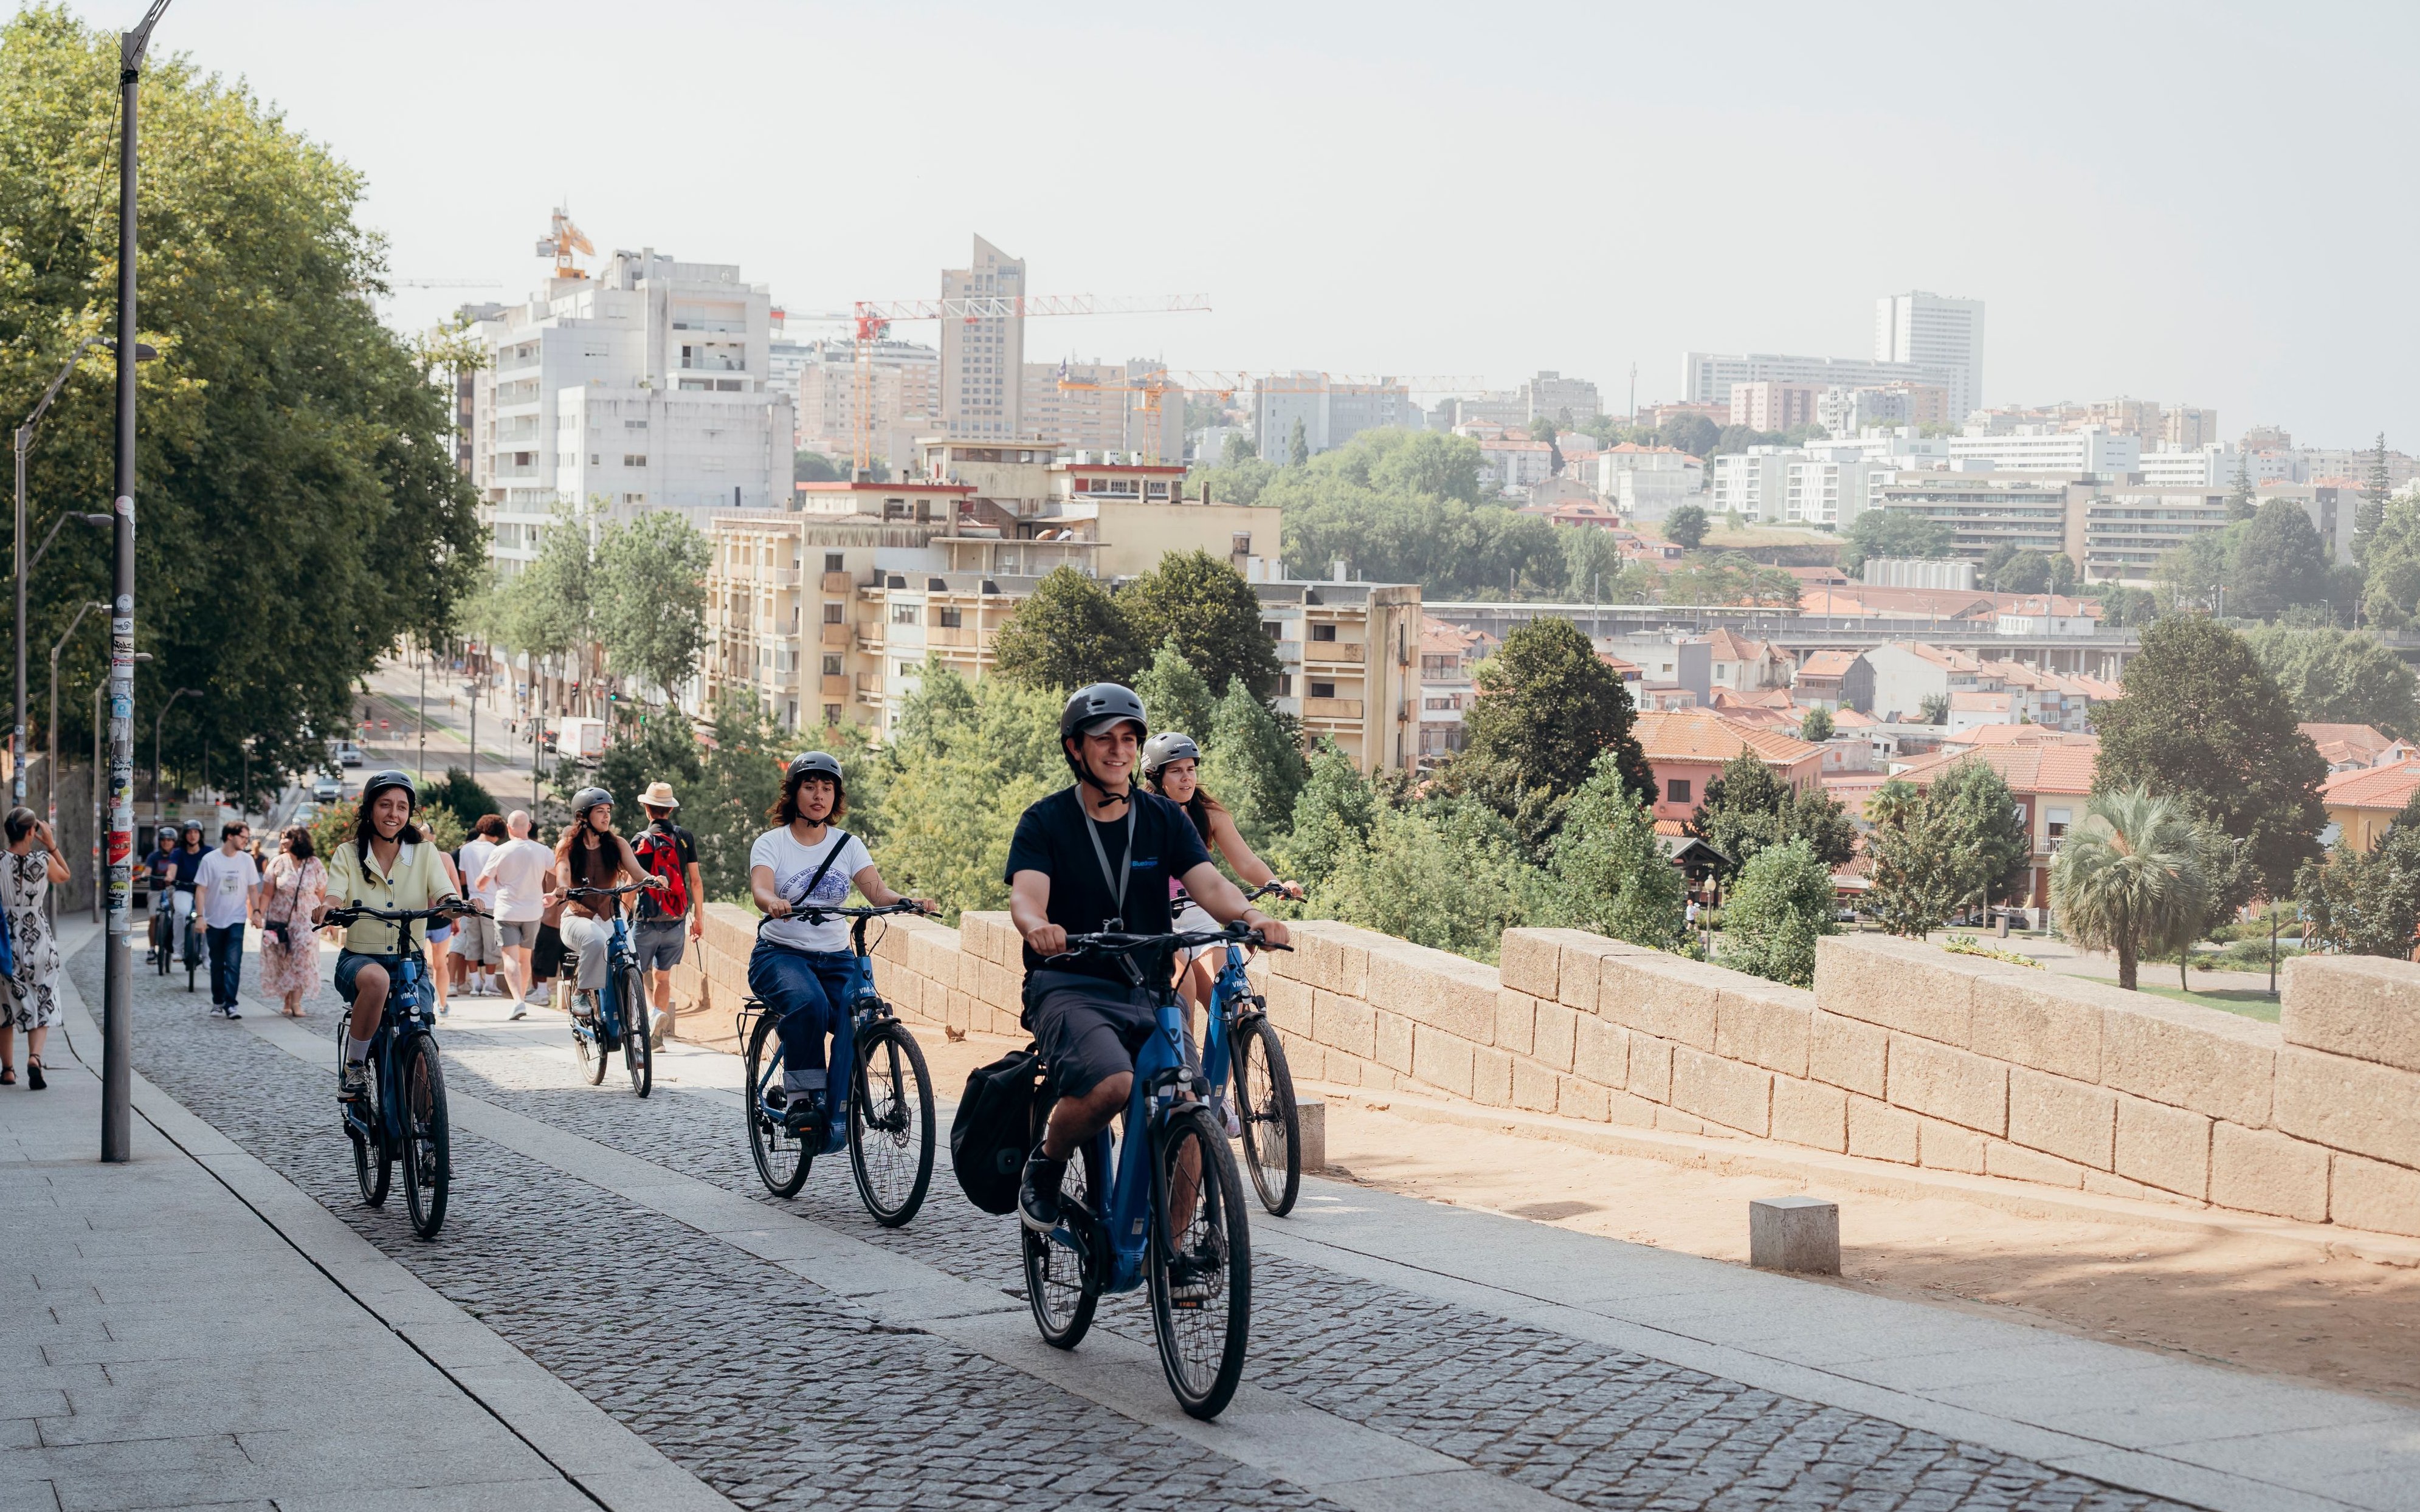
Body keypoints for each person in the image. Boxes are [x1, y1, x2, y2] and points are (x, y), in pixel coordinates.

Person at [1007, 685, 1288, 1233]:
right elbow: (1026, 894)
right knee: (1110, 1084)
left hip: (1151, 988)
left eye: (1129, 740)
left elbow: (1208, 883)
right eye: (1104, 740)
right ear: (1075, 749)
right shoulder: (1045, 821)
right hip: (1071, 983)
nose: (1118, 751)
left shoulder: (1163, 818)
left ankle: (1177, 1256)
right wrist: (1038, 927)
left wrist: (1251, 918)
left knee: (1188, 1106)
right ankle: (1045, 1163)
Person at [748, 752, 931, 1134]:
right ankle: (801, 1100)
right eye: (810, 787)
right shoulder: (773, 843)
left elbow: (878, 893)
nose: (819, 796)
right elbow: (761, 890)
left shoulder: (848, 845)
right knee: (809, 1004)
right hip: (780, 954)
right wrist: (774, 903)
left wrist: (908, 903)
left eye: (827, 789)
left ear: (836, 796)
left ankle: (846, 1094)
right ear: (794, 793)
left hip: (835, 957)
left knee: (866, 1013)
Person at [313, 770, 475, 1099]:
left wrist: (460, 906)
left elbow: (445, 895)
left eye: (402, 807)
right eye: (385, 805)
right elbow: (335, 893)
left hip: (410, 962)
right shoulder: (348, 853)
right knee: (377, 981)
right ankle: (355, 1066)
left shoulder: (426, 853)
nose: (394, 814)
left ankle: (427, 1140)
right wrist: (328, 907)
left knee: (423, 1060)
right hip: (361, 960)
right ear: (370, 809)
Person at [1139, 732, 1304, 1043]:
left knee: (1235, 997)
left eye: (1191, 769)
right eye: (1176, 771)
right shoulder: (1141, 815)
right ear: (1156, 776)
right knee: (1180, 990)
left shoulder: (1208, 815)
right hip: (1158, 924)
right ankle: (1183, 1080)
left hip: (1200, 920)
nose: (1186, 779)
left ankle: (1222, 1091)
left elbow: (1246, 862)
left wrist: (1275, 884)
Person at [554, 788, 660, 1029]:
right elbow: (564, 873)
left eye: (608, 811)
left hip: (612, 915)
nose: (606, 817)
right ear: (583, 817)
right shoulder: (568, 846)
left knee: (631, 961)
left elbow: (637, 872)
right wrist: (562, 888)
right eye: (600, 812)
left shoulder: (617, 844)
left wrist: (653, 879)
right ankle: (581, 992)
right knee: (595, 941)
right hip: (577, 917)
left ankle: (637, 1035)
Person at [631, 781, 704, 1050]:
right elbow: (695, 881)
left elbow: (632, 881)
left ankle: (652, 1013)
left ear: (648, 810)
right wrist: (698, 918)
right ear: (669, 811)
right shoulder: (685, 837)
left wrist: (624, 910)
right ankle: (656, 1039)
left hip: (646, 919)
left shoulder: (639, 840)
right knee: (664, 977)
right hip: (676, 919)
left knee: (637, 974)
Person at [0, 810, 69, 1089]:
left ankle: (7, 1071)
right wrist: (51, 844)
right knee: (43, 994)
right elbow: (65, 875)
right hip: (37, 936)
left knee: (4, 1003)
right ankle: (35, 1058)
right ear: (32, 832)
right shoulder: (43, 859)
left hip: (5, 938)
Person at [477, 809, 552, 1018]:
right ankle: (523, 997)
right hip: (533, 911)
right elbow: (560, 870)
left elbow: (481, 883)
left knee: (510, 957)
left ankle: (518, 1000)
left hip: (507, 911)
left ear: (509, 828)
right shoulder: (543, 850)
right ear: (528, 827)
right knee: (525, 958)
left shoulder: (501, 851)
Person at [258, 826, 328, 1018]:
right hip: (280, 920)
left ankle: (297, 1002)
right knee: (284, 960)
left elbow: (322, 893)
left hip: (307, 920)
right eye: (281, 838)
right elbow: (266, 894)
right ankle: (287, 1000)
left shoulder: (314, 864)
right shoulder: (278, 863)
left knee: (303, 956)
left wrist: (325, 917)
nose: (281, 842)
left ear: (298, 839)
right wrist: (258, 914)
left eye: (286, 838)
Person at [194, 822, 261, 1017]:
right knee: (217, 963)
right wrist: (200, 917)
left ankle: (231, 1004)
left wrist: (256, 911)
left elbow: (253, 889)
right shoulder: (210, 860)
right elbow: (201, 890)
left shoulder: (247, 860)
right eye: (243, 837)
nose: (246, 841)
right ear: (231, 836)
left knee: (233, 962)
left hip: (236, 919)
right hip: (214, 919)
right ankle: (217, 1002)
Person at [454, 814, 506, 997]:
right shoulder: (496, 850)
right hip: (492, 903)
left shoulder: (465, 849)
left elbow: (462, 879)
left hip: (471, 903)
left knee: (472, 944)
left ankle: (476, 983)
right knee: (491, 944)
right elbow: (500, 878)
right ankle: (490, 984)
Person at [169, 820, 206, 955]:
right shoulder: (178, 853)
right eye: (189, 832)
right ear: (185, 835)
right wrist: (170, 877)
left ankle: (207, 956)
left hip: (204, 891)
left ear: (200, 835)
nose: (193, 835)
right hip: (183, 889)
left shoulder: (208, 852)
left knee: (207, 917)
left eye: (196, 832)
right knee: (181, 913)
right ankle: (178, 950)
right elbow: (172, 869)